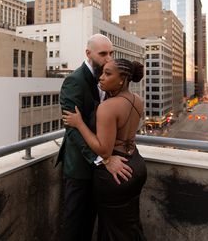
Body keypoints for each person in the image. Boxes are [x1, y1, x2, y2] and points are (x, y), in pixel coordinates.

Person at [56, 35, 133, 241]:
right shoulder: (74, 81)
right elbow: (72, 130)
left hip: (102, 168)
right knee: (76, 227)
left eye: (111, 53)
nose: (108, 58)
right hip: (80, 168)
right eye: (103, 54)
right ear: (88, 54)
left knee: (96, 223)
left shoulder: (108, 77)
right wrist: (103, 160)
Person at [63, 58, 147, 241]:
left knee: (112, 231)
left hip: (116, 174)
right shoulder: (138, 100)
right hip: (136, 165)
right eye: (102, 72)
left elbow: (104, 151)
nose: (101, 77)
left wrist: (79, 124)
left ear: (122, 79)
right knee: (129, 225)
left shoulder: (107, 107)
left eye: (108, 74)